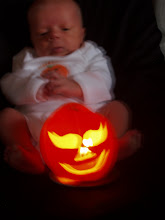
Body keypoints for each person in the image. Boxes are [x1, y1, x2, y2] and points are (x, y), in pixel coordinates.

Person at [0, 0, 141, 174]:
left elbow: (105, 79)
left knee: (118, 108)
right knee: (7, 117)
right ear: (32, 38)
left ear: (82, 34)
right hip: (38, 122)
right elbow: (10, 85)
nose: (54, 36)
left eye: (65, 29)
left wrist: (77, 87)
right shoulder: (26, 58)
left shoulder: (89, 53)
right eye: (43, 33)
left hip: (89, 119)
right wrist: (37, 89)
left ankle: (112, 145)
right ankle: (31, 155)